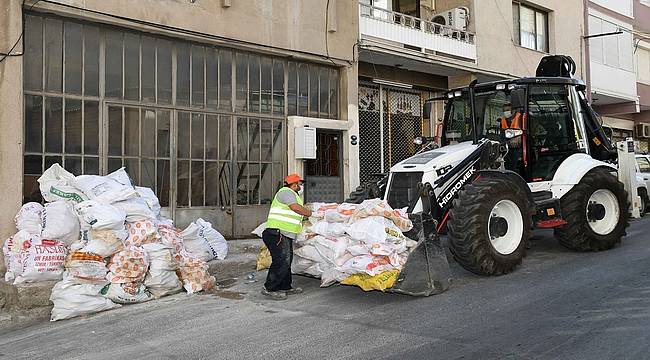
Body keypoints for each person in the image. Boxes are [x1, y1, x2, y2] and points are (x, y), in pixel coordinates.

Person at [261, 173, 312, 300]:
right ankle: (270, 288)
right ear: (294, 185)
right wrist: (310, 213)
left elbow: (294, 212)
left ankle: (285, 286)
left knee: (286, 261)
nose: (301, 187)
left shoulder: (292, 195)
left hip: (284, 234)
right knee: (281, 261)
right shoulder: (286, 192)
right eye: (299, 184)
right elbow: (295, 208)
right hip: (277, 233)